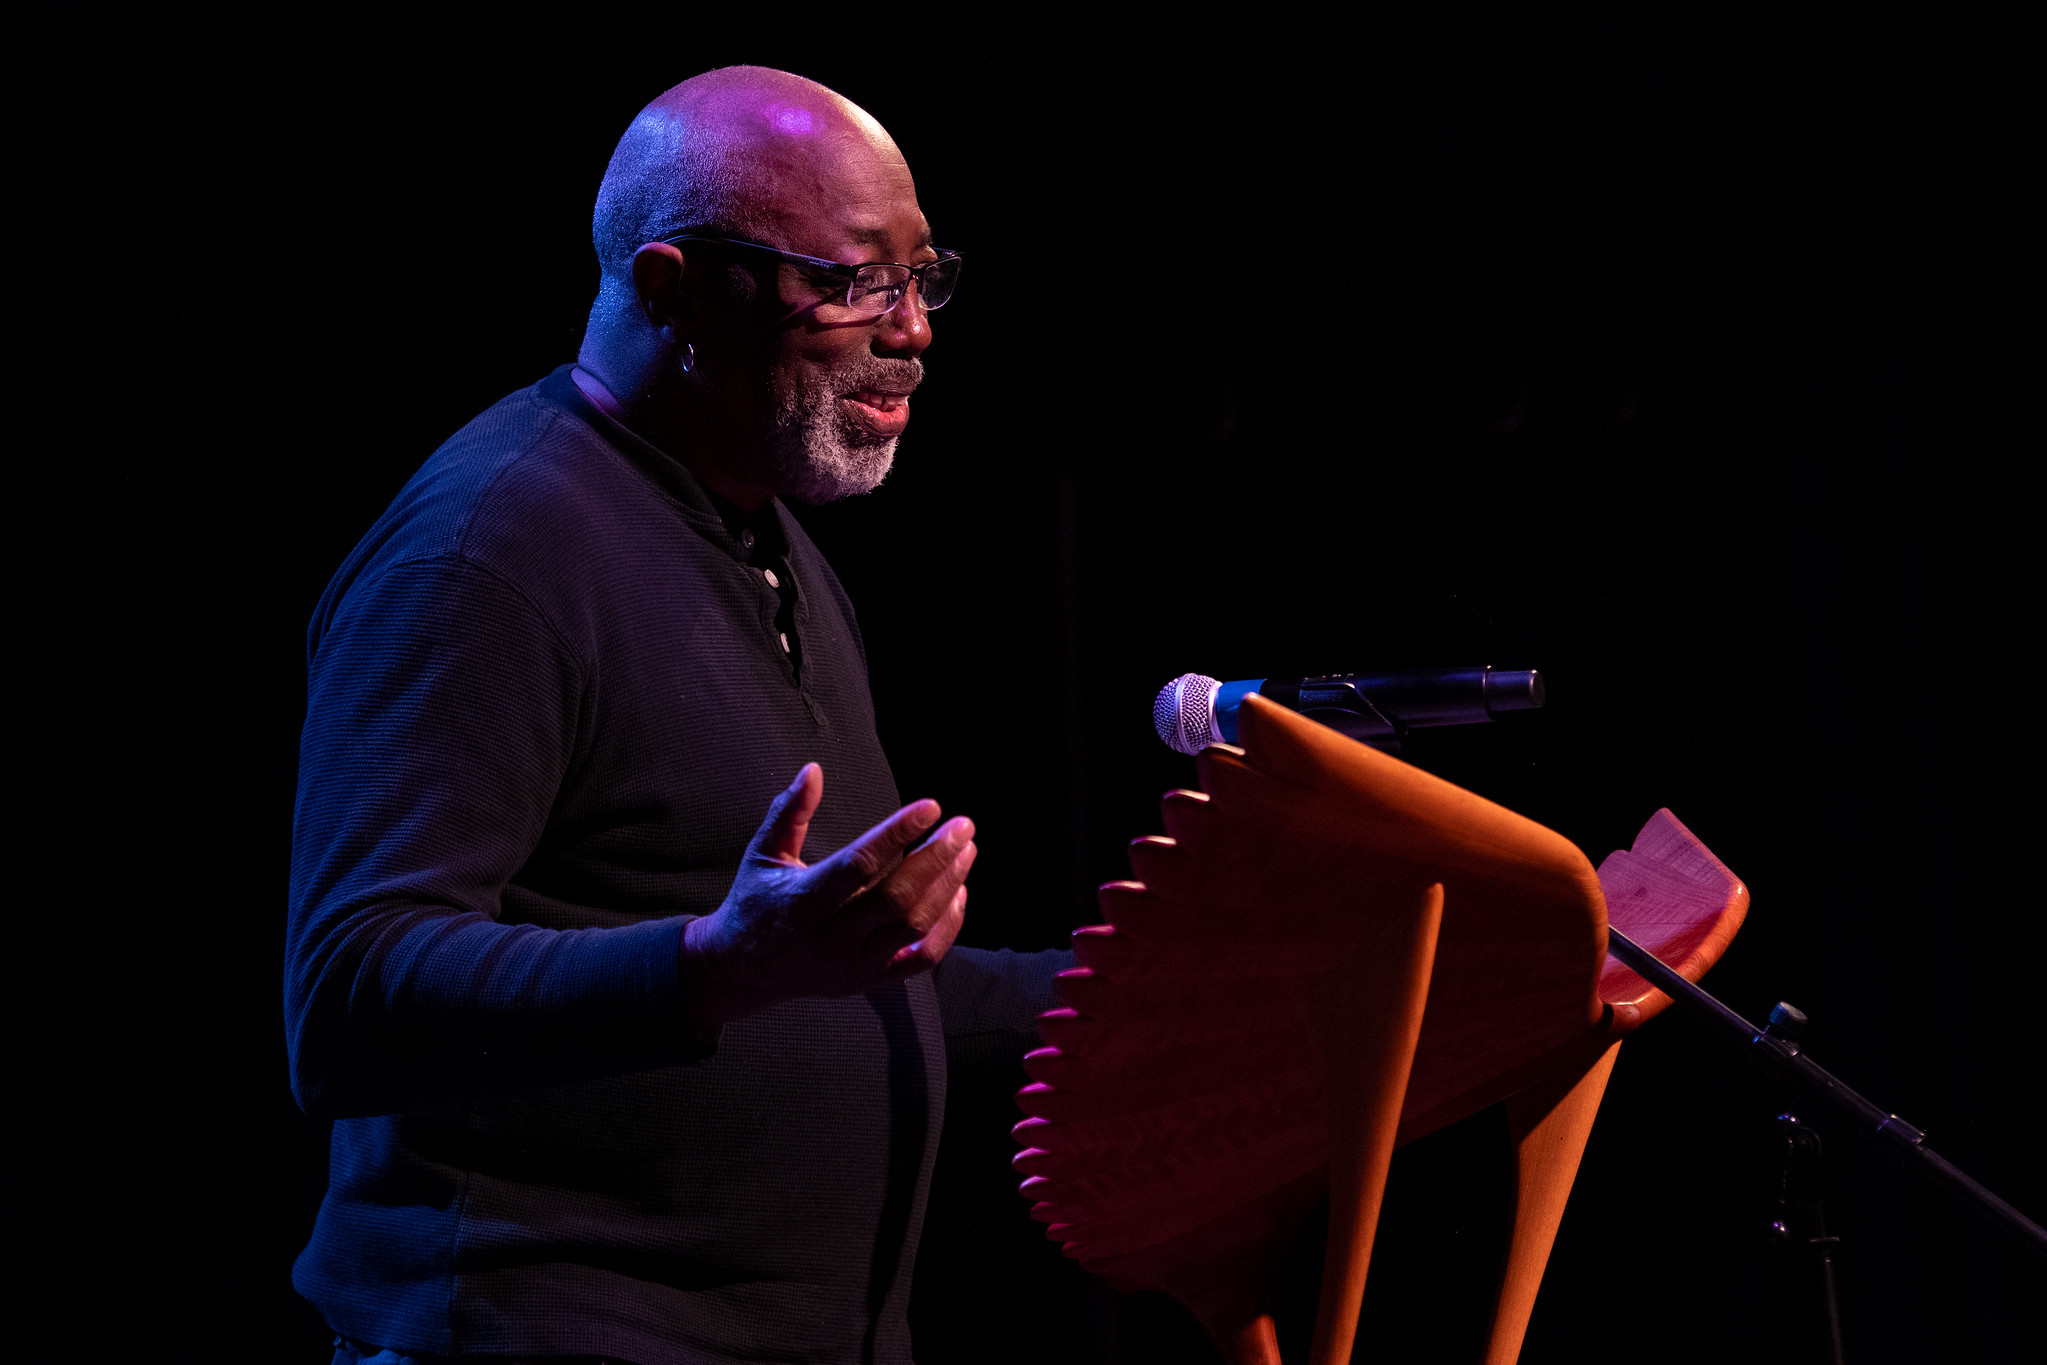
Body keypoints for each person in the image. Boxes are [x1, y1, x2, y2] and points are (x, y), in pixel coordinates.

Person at [286, 66, 1070, 1365]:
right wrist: (715, 964)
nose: (913, 330)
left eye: (923, 277)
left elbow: (841, 976)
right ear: (672, 293)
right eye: (854, 280)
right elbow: (352, 994)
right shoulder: (487, 553)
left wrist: (1159, 978)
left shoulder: (771, 541)